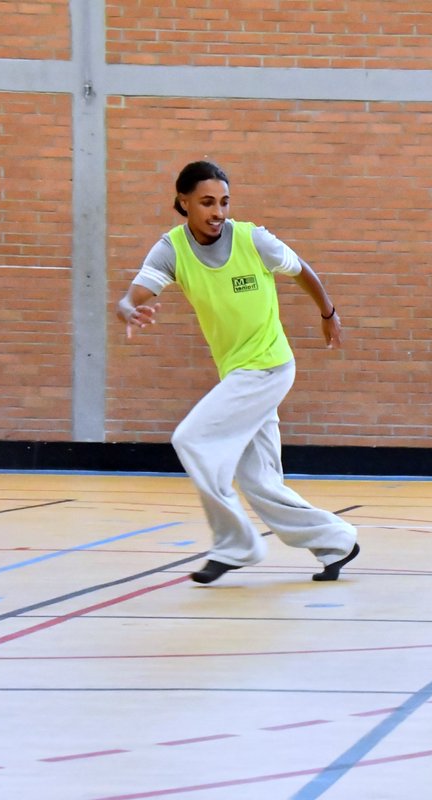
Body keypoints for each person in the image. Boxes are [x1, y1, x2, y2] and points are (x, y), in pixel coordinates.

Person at [115, 160, 360, 585]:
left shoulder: (252, 239)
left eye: (224, 202)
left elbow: (301, 270)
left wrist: (328, 313)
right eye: (207, 202)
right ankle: (336, 541)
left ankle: (235, 545)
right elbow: (130, 297)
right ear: (183, 202)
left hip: (267, 366)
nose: (218, 212)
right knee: (260, 481)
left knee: (190, 439)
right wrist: (128, 311)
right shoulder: (172, 249)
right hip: (239, 375)